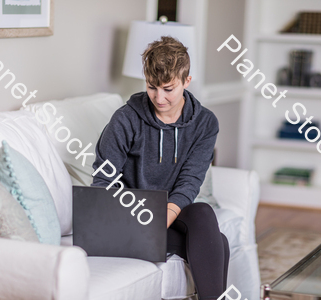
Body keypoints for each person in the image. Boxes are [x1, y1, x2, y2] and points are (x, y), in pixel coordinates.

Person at [91, 35, 230, 300]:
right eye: (152, 87)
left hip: (171, 213)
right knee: (218, 243)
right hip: (130, 216)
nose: (159, 97)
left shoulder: (205, 123)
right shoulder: (126, 119)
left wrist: (163, 217)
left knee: (201, 212)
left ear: (187, 81)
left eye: (168, 88)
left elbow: (190, 181)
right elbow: (104, 180)